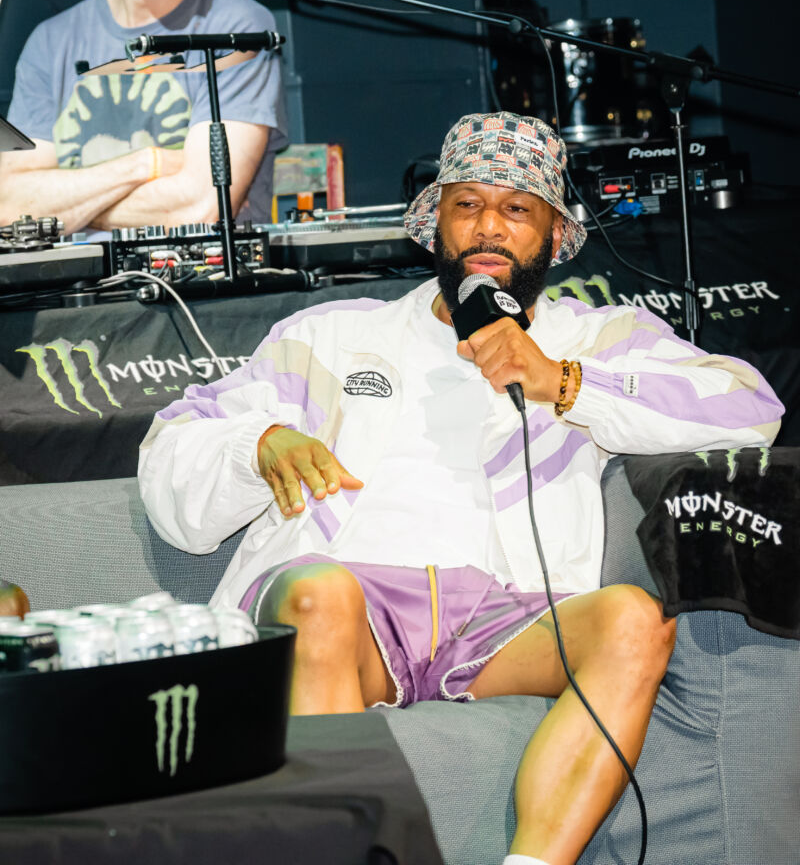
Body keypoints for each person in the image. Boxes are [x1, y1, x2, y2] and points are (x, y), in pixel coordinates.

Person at [139, 111, 783, 865]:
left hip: (504, 615)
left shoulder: (594, 338)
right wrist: (256, 443)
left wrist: (564, 382)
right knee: (316, 594)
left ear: (553, 235)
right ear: (436, 223)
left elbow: (750, 407)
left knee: (633, 620)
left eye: (517, 209)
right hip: (351, 606)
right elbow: (171, 459)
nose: (488, 227)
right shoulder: (331, 335)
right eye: (467, 204)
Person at [0, 0, 287, 236]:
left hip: (202, 274)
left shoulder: (238, 29)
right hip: (78, 275)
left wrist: (67, 204)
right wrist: (145, 164)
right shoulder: (50, 42)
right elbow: (9, 205)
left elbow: (200, 207)